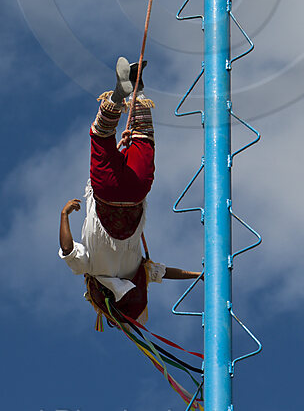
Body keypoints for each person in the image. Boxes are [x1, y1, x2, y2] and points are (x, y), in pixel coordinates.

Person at [59, 58, 200, 325]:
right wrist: (64, 214)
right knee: (101, 135)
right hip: (107, 191)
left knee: (143, 135)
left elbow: (166, 272)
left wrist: (199, 275)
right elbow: (66, 249)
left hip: (135, 191)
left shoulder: (137, 271)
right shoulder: (90, 269)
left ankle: (137, 88)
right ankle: (122, 92)